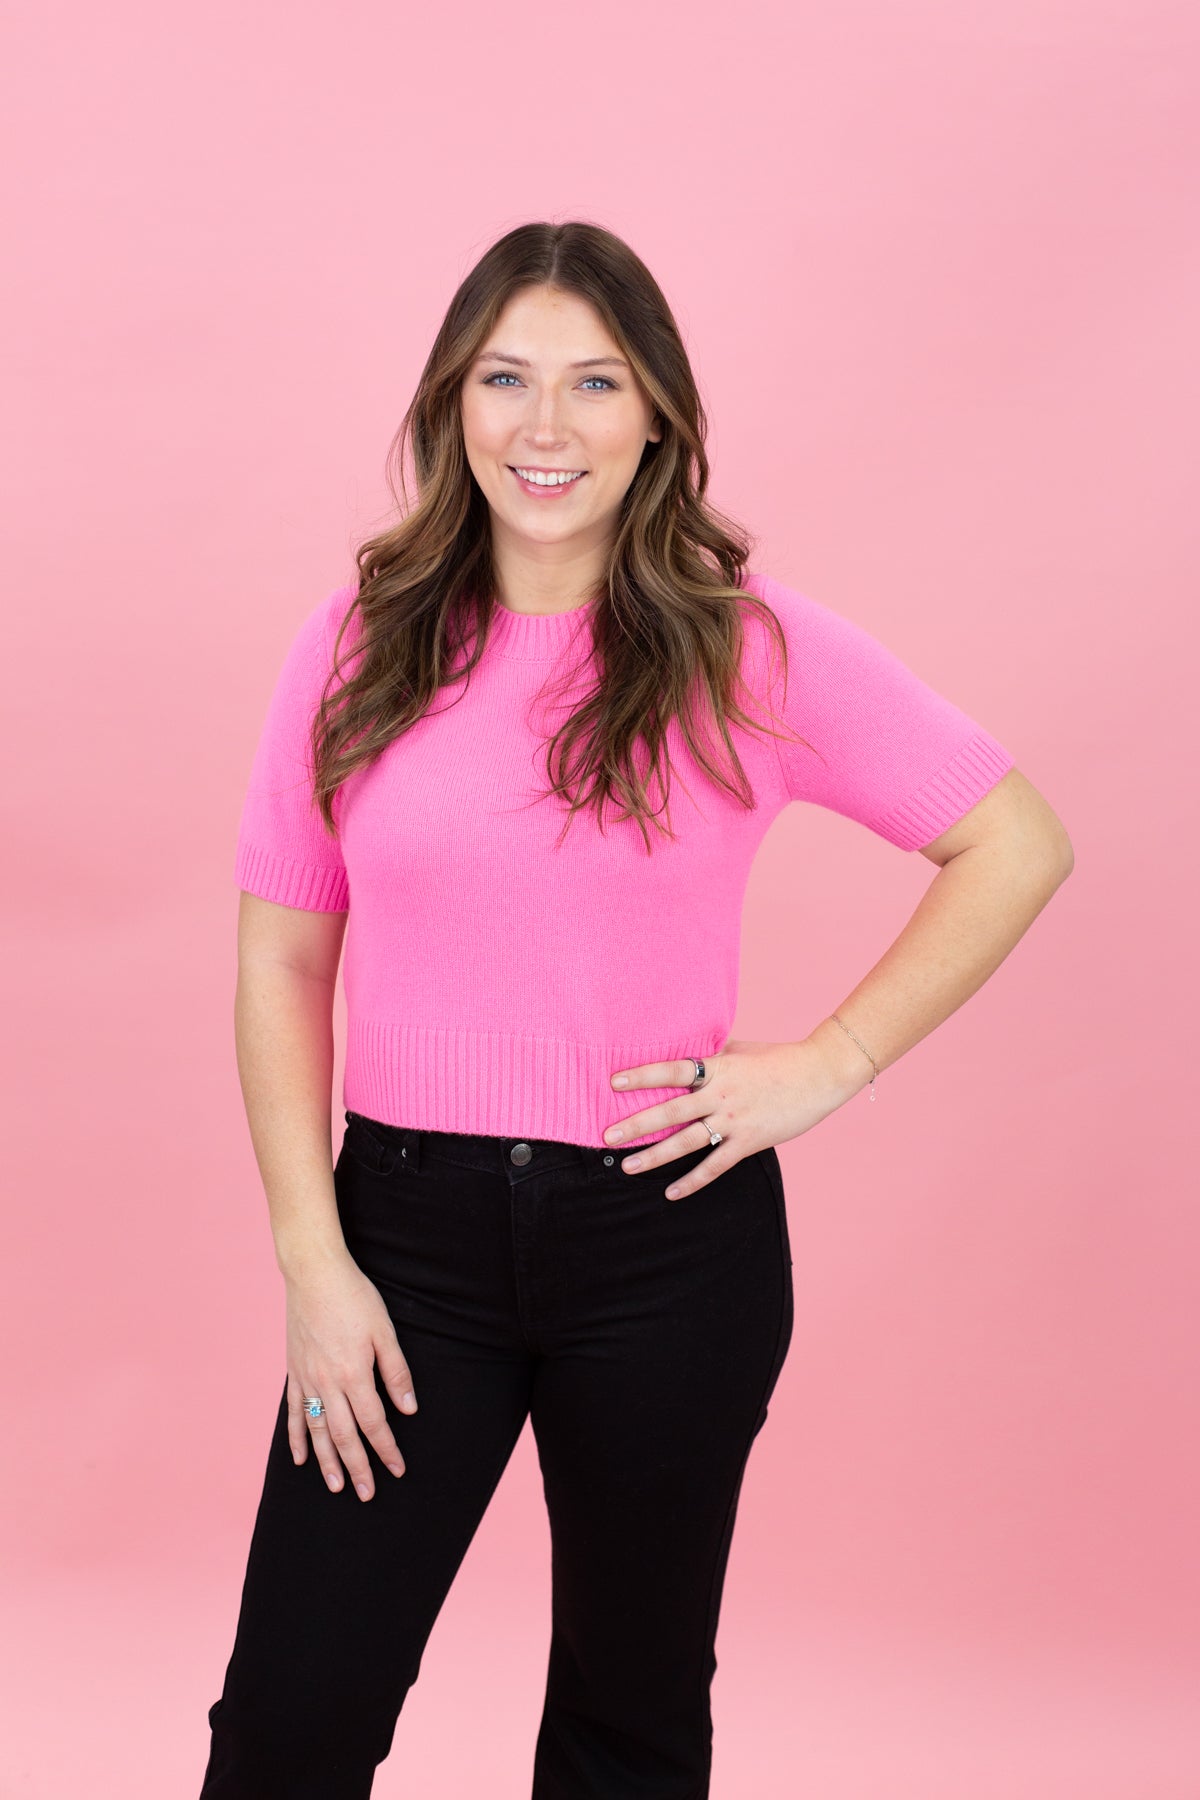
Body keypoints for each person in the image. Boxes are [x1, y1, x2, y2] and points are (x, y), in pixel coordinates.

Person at [198, 220, 1073, 1799]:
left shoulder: (745, 646)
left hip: (669, 1241)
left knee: (629, 1727)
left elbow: (1015, 840)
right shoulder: (357, 645)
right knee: (290, 1723)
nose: (548, 425)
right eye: (506, 379)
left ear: (658, 415)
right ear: (451, 404)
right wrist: (311, 1262)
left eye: (596, 383)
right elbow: (282, 962)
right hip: (404, 1243)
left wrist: (832, 1061)